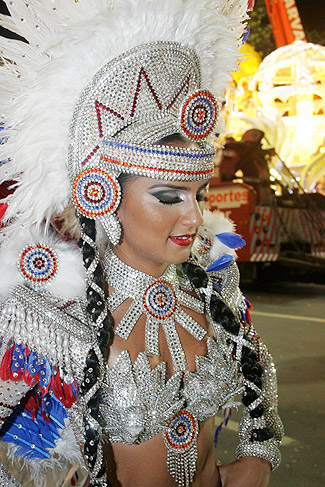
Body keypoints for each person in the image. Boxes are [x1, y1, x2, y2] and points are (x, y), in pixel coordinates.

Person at [0, 1, 283, 486]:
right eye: (167, 196)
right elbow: (21, 459)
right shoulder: (53, 322)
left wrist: (260, 454)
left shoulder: (216, 289)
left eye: (198, 194)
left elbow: (259, 380)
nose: (194, 216)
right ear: (104, 195)